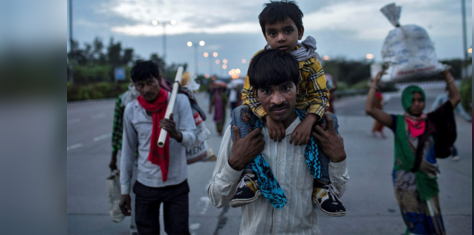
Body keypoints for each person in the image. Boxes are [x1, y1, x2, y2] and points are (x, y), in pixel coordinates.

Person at [207, 49, 349, 234]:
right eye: (266, 91)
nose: (277, 99)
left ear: (297, 86)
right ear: (255, 93)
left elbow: (336, 193)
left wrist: (339, 159)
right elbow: (217, 198)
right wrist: (236, 163)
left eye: (285, 88)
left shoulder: (318, 132)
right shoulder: (241, 133)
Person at [236, 0, 345, 216]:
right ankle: (250, 177)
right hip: (268, 112)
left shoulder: (310, 61)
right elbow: (248, 94)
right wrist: (266, 117)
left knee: (331, 120)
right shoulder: (259, 60)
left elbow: (321, 95)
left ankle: (323, 186)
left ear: (300, 31)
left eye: (287, 30)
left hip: (304, 114)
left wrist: (309, 121)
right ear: (265, 36)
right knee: (239, 113)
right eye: (273, 33)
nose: (281, 38)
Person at [366, 67, 460, 235]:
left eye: (420, 100)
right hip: (404, 181)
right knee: (415, 224)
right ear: (406, 101)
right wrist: (375, 83)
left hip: (428, 181)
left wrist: (447, 75)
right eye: (413, 100)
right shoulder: (397, 122)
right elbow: (370, 110)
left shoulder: (432, 119)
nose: (417, 104)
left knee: (433, 222)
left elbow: (455, 98)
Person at [119, 60, 197, 235]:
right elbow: (128, 152)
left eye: (150, 83)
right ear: (135, 86)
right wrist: (125, 191)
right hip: (145, 184)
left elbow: (192, 138)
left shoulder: (179, 101)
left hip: (176, 184)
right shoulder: (132, 110)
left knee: (179, 231)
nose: (147, 89)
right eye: (141, 85)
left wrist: (177, 134)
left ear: (159, 80)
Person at [109, 83, 139, 234]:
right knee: (131, 191)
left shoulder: (151, 99)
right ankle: (135, 227)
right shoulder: (123, 100)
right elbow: (117, 128)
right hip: (128, 153)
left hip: (148, 155)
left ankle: (141, 225)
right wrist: (114, 155)